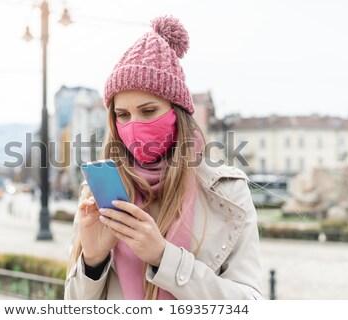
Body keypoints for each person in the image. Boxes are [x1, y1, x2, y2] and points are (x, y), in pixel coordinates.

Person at [65, 16, 262, 300]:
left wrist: (163, 257)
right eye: (122, 115)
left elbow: (250, 303)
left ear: (177, 113)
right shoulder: (97, 192)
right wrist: (93, 262)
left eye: (148, 111)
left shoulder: (227, 191)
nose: (133, 125)